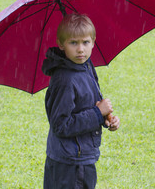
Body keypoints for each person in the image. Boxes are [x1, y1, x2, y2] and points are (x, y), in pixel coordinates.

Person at [42, 13, 120, 188]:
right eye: (73, 43)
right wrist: (97, 113)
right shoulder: (65, 80)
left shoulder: (85, 66)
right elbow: (61, 125)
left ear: (93, 41)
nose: (80, 49)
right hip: (69, 164)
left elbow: (90, 103)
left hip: (80, 157)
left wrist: (106, 118)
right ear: (61, 44)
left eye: (85, 42)